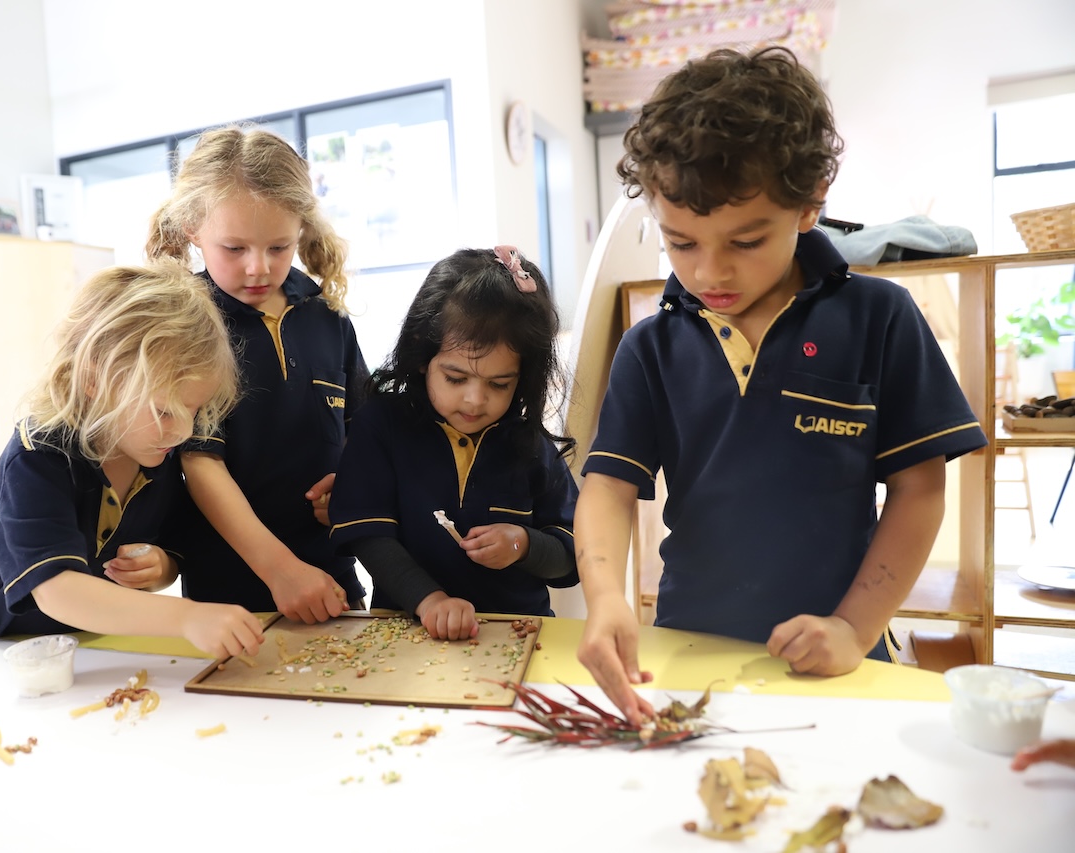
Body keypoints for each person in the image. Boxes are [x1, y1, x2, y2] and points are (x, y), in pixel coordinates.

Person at [575, 46, 988, 724]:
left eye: (744, 242)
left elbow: (920, 490)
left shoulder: (880, 317)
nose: (710, 272)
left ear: (808, 207)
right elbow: (608, 486)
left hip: (839, 648)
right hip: (688, 648)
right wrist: (606, 597)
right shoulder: (650, 344)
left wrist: (855, 628)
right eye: (681, 243)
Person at [0, 261, 264, 660]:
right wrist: (185, 617)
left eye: (193, 411)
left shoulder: (152, 450)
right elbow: (58, 590)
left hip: (112, 650)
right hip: (25, 654)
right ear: (94, 380)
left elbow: (176, 543)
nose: (181, 432)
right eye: (163, 411)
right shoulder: (37, 459)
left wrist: (161, 565)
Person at [146, 126, 367, 622]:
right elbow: (201, 462)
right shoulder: (188, 324)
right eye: (234, 248)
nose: (258, 269)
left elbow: (363, 428)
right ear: (192, 230)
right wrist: (281, 570)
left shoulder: (326, 314)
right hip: (230, 593)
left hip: (333, 576)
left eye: (278, 247)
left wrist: (353, 487)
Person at [328, 246, 580, 640]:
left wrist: (524, 544)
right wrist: (429, 601)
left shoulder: (531, 445)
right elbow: (366, 534)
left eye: (500, 384)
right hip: (404, 632)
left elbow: (573, 555)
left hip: (516, 634)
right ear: (422, 354)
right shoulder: (381, 426)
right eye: (456, 378)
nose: (475, 401)